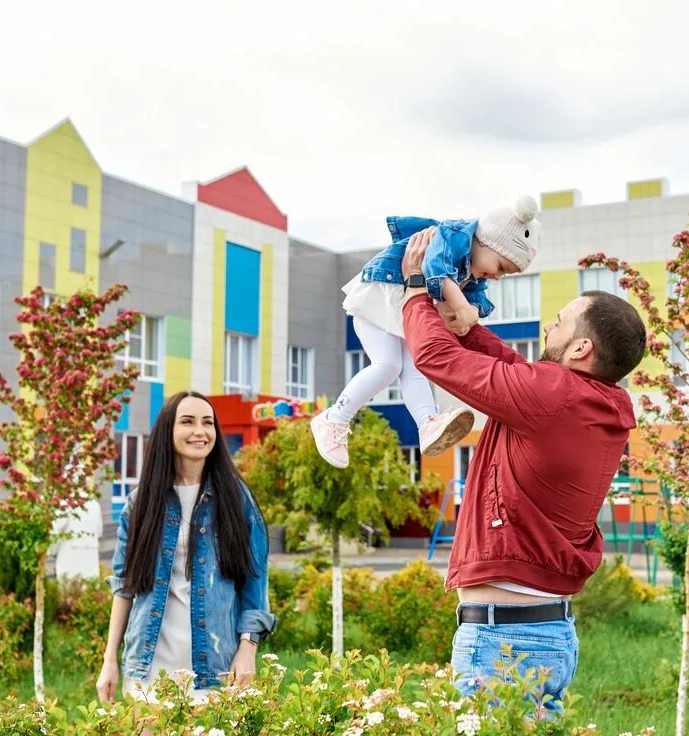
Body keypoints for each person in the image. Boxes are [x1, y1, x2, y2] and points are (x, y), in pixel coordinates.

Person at [400, 227, 646, 715]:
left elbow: (434, 357)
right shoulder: (598, 402)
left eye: (559, 323)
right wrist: (470, 328)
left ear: (580, 350)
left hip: (503, 639)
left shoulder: (554, 396)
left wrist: (412, 289)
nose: (548, 330)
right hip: (545, 633)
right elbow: (514, 368)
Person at [310, 196, 544, 469]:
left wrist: (465, 316)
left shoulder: (475, 272)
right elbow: (435, 268)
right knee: (388, 365)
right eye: (501, 267)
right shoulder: (454, 236)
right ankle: (334, 418)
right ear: (487, 242)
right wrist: (460, 307)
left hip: (404, 312)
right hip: (380, 299)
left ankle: (427, 423)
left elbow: (473, 303)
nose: (496, 276)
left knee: (416, 367)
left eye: (506, 275)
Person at [95, 391, 276, 703]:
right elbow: (125, 586)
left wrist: (248, 648)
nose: (200, 431)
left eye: (208, 423)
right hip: (149, 668)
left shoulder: (237, 500)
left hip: (215, 669)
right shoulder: (141, 504)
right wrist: (109, 659)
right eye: (188, 422)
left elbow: (255, 580)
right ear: (169, 430)